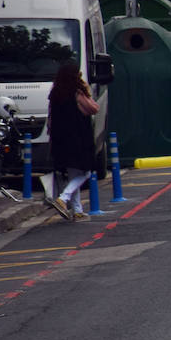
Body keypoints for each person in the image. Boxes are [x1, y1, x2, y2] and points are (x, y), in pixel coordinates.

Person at [46, 61, 99, 221]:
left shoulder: (55, 93)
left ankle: (77, 210)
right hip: (79, 138)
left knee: (72, 173)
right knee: (86, 171)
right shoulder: (78, 93)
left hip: (60, 139)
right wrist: (86, 89)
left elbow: (50, 118)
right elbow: (93, 108)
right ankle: (63, 198)